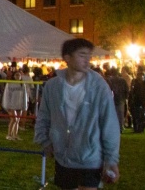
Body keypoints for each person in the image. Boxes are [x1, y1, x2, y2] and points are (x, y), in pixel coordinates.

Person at [35, 38, 120, 189]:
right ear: (67, 58)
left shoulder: (99, 87)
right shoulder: (53, 86)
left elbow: (110, 123)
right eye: (82, 55)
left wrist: (111, 159)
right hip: (63, 158)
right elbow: (44, 116)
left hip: (90, 157)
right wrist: (45, 141)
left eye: (89, 55)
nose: (87, 60)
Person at [2, 71, 30, 140]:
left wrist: (24, 105)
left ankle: (15, 135)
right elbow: (7, 95)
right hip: (12, 104)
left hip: (19, 104)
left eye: (19, 75)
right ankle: (9, 134)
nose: (18, 76)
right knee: (14, 119)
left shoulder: (22, 84)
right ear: (14, 76)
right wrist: (7, 104)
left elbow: (24, 95)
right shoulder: (9, 84)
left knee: (17, 120)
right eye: (16, 75)